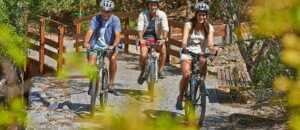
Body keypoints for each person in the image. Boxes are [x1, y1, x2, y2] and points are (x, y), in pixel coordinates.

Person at [176, 2, 215, 110]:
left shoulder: (209, 27)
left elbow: (210, 43)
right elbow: (184, 40)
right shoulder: (189, 25)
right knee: (186, 75)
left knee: (203, 61)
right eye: (200, 14)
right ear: (196, 14)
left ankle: (200, 87)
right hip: (187, 51)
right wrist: (184, 47)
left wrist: (213, 49)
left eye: (204, 14)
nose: (202, 17)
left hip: (200, 53)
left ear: (207, 15)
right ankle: (180, 97)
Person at [83, 0, 121, 95]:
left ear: (111, 11)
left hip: (110, 45)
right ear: (101, 10)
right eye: (103, 10)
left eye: (108, 11)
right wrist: (86, 42)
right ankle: (92, 82)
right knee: (91, 62)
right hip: (96, 44)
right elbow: (90, 31)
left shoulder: (115, 20)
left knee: (113, 59)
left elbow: (117, 35)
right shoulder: (95, 18)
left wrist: (113, 45)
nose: (105, 13)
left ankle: (111, 84)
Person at [136, 0, 169, 84]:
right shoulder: (142, 15)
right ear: (148, 5)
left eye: (155, 5)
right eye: (151, 5)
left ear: (157, 6)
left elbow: (165, 27)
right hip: (145, 37)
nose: (153, 7)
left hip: (157, 38)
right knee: (143, 55)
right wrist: (141, 39)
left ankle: (160, 70)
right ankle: (143, 72)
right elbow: (140, 28)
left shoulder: (162, 14)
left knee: (163, 50)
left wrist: (164, 38)